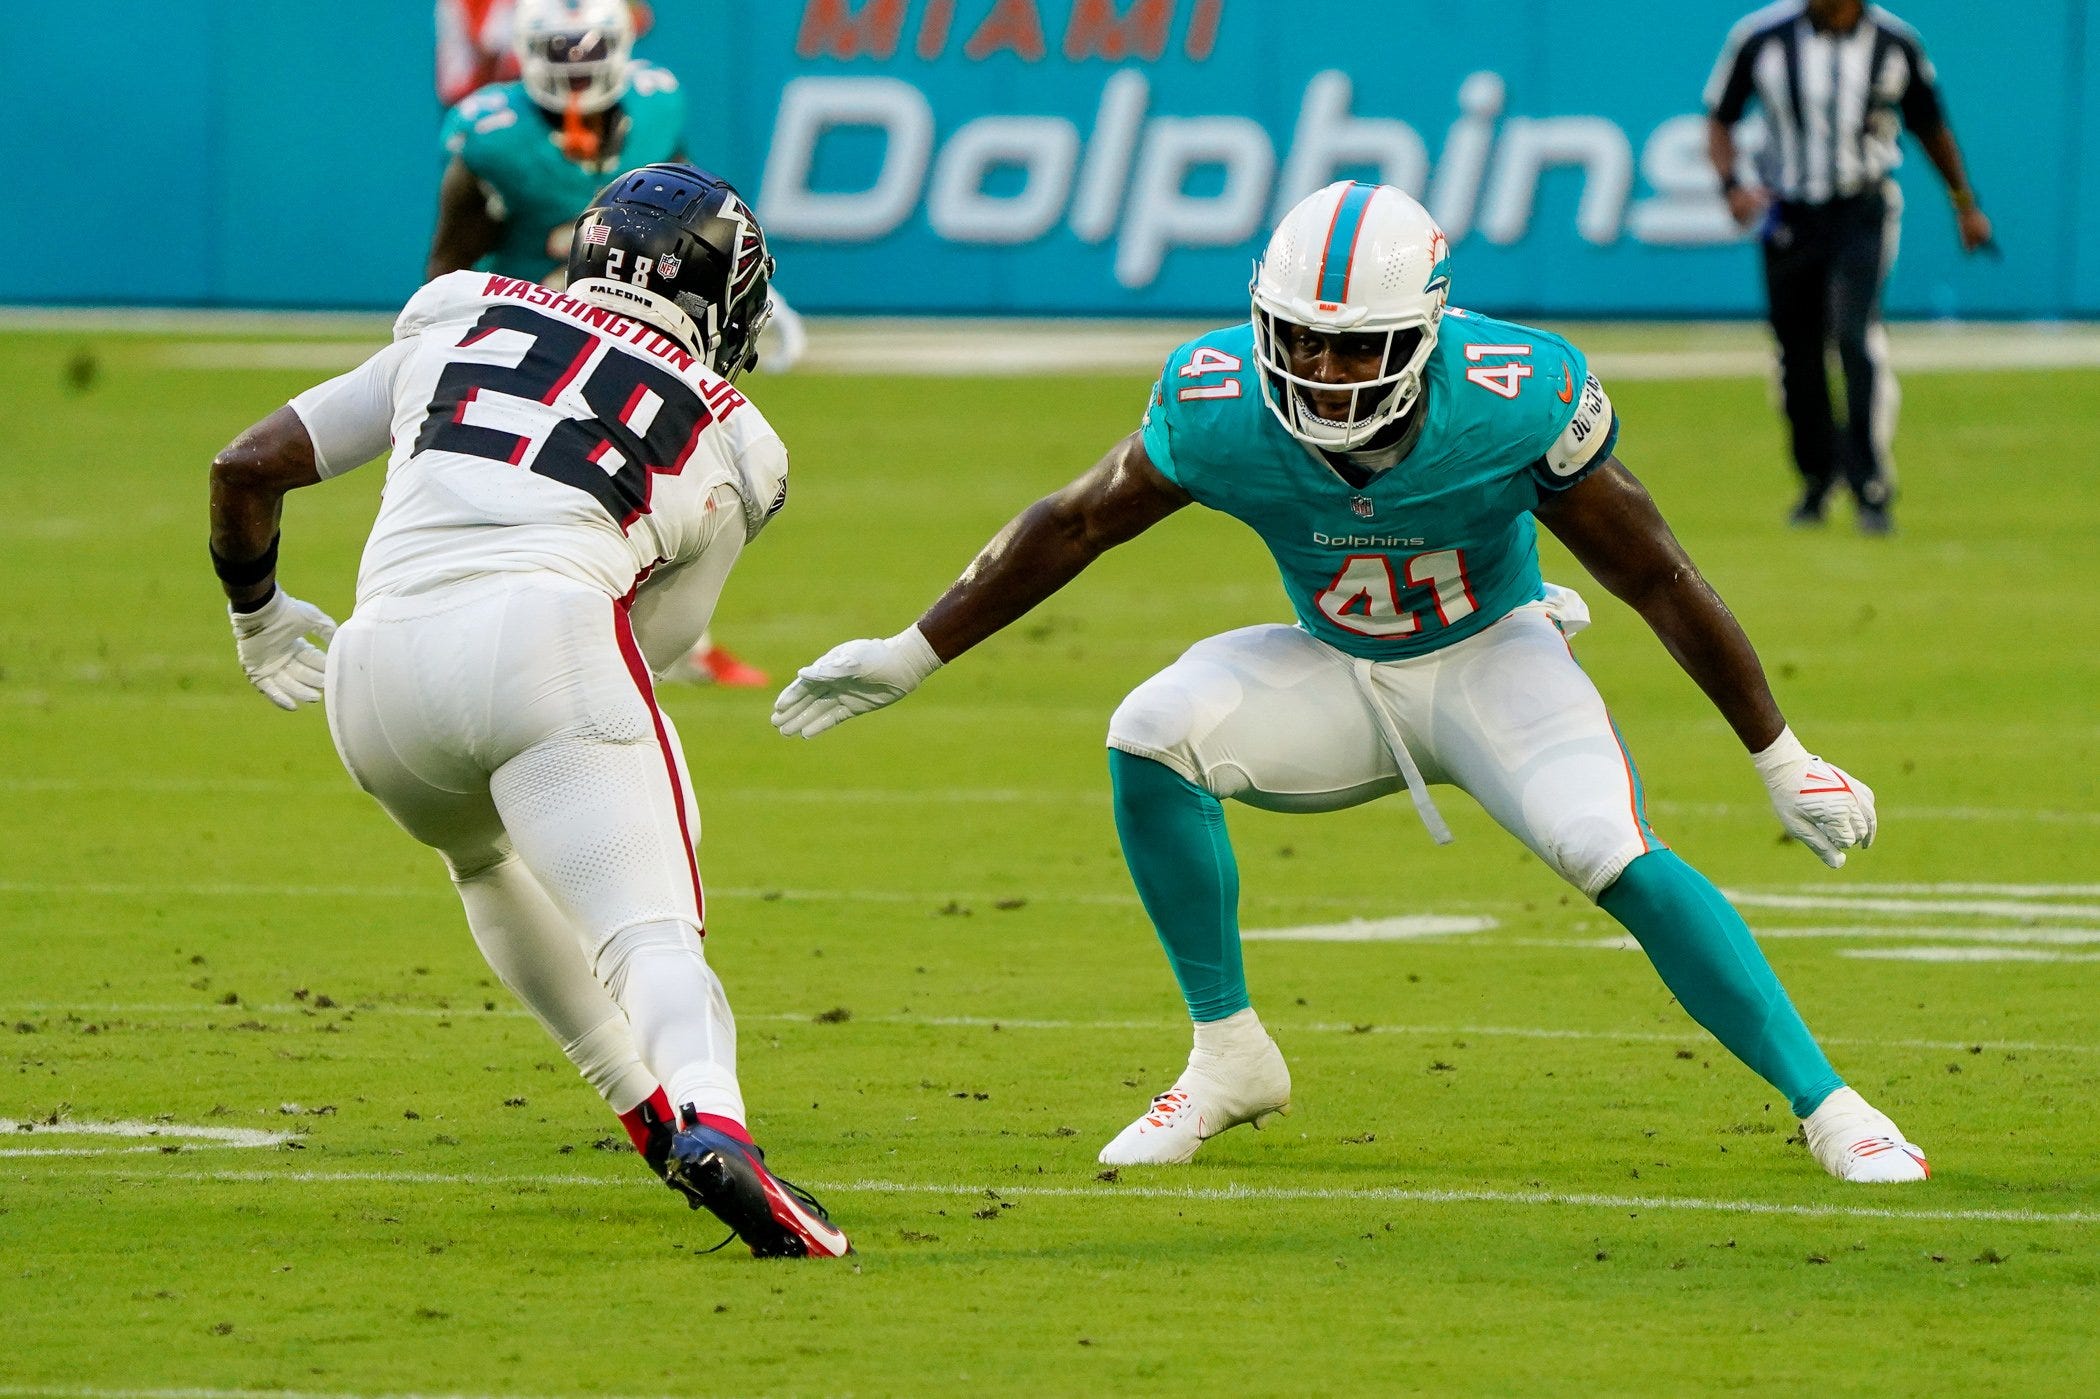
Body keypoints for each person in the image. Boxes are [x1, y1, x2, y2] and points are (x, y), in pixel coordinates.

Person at [773, 181, 1928, 1185]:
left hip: (1494, 658)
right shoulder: (1221, 405)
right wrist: (911, 651)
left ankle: (1833, 1106)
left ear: (1425, 333)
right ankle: (1229, 1056)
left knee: (1604, 845)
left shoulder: (1514, 398)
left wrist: (1779, 754)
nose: (1322, 372)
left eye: (1355, 346)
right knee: (1152, 730)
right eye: (1300, 340)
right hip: (1338, 667)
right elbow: (1075, 525)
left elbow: (1659, 575)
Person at [209, 164, 849, 1258]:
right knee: (651, 923)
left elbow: (246, 466)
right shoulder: (741, 436)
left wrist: (259, 619)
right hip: (546, 637)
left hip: (372, 674)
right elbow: (659, 643)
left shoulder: (465, 306)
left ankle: (650, 1117)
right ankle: (718, 1120)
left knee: (483, 862)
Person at [430, 0, 801, 684]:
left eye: (589, 51)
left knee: (655, 486)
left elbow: (697, 211)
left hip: (636, 340)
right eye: (560, 53)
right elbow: (448, 264)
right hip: (526, 339)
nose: (576, 72)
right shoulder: (491, 137)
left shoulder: (657, 107)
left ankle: (674, 640)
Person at [1706, 0, 1993, 534]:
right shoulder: (1761, 36)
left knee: (1855, 337)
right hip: (1789, 212)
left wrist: (1964, 202)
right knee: (1797, 354)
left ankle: (1870, 485)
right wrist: (1731, 186)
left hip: (1862, 208)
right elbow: (1720, 118)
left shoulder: (1896, 42)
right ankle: (1817, 479)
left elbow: (1930, 125)